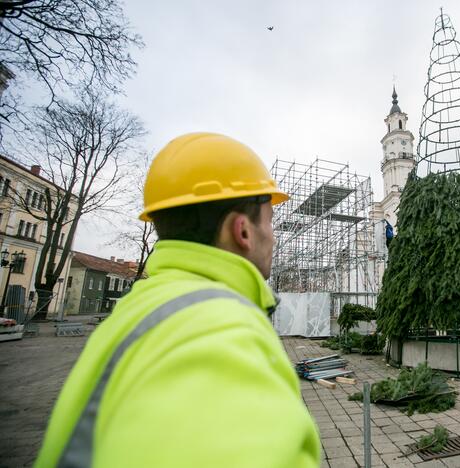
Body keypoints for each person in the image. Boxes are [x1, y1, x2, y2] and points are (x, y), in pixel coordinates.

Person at [35, 133, 320, 467]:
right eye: (271, 222)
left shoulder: (138, 308)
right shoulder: (220, 329)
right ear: (242, 231)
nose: (273, 237)